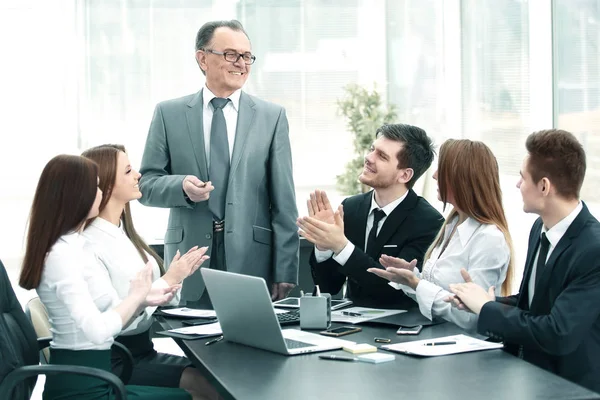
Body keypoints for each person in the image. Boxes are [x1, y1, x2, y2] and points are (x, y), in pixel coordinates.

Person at [139, 19, 298, 306]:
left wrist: (285, 269)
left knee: (248, 348)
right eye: (231, 54)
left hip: (252, 260)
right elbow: (146, 185)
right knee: (190, 345)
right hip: (189, 258)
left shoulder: (271, 117)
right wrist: (181, 186)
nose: (242, 63)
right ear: (202, 58)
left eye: (247, 56)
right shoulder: (169, 113)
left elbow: (284, 201)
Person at [18, 155, 202, 399]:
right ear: (76, 194)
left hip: (98, 376)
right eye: (94, 186)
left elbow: (106, 313)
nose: (99, 192)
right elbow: (96, 331)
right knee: (199, 395)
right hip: (84, 389)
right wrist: (137, 296)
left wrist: (144, 298)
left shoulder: (75, 246)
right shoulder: (61, 255)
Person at [448, 129, 600, 393]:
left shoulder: (593, 249)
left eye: (522, 177)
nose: (518, 185)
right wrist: (483, 301)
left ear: (544, 186)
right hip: (530, 378)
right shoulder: (539, 228)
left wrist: (487, 309)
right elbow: (535, 303)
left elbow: (558, 332)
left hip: (570, 388)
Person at [81, 144, 220, 399]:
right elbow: (113, 318)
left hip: (141, 350)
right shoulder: (90, 244)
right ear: (107, 185)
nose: (138, 175)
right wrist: (171, 278)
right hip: (115, 359)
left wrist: (175, 279)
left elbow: (151, 299)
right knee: (209, 387)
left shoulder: (123, 233)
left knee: (218, 376)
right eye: (128, 171)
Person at [367, 139, 514, 331]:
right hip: (437, 339)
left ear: (461, 179)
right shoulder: (452, 225)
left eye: (441, 171)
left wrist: (417, 284)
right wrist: (409, 278)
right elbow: (436, 292)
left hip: (468, 350)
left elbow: (474, 316)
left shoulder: (489, 239)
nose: (435, 176)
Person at [298, 124, 443, 308]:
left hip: (400, 328)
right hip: (349, 324)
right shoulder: (351, 207)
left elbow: (392, 289)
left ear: (405, 175)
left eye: (381, 156)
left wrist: (341, 246)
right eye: (372, 149)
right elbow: (329, 287)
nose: (368, 157)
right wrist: (324, 245)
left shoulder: (429, 222)